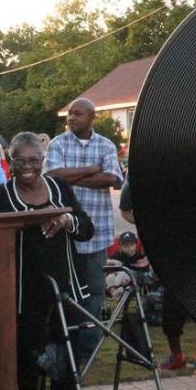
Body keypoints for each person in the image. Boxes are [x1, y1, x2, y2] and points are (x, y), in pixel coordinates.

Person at [0, 132, 94, 390]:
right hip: (21, 300)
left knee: (67, 370)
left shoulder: (60, 188)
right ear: (9, 161)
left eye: (34, 160)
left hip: (65, 296)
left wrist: (68, 221)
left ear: (43, 160)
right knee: (30, 373)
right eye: (20, 160)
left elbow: (87, 228)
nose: (28, 166)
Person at [43, 98, 123, 363]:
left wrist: (72, 177)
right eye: (69, 114)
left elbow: (112, 179)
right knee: (65, 294)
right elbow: (53, 176)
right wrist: (91, 170)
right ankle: (66, 347)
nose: (71, 118)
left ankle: (86, 352)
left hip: (96, 235)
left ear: (92, 117)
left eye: (78, 114)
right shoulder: (57, 144)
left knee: (94, 293)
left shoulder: (106, 145)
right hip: (65, 235)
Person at [120, 178, 196, 373]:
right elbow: (125, 210)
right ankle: (177, 356)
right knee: (170, 308)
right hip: (170, 252)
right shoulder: (139, 181)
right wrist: (152, 223)